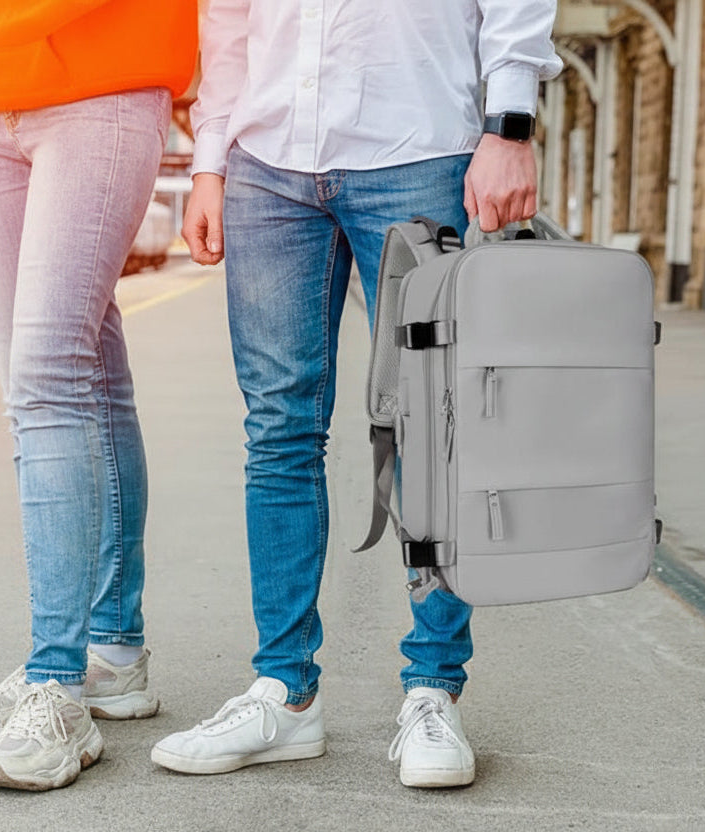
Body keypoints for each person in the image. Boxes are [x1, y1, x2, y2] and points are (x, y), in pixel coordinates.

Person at [152, 0, 561, 787]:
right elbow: (228, 24)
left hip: (418, 146)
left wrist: (509, 125)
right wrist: (209, 160)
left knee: (429, 426)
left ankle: (434, 689)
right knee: (277, 428)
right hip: (266, 162)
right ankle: (285, 692)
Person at [0, 0, 197, 791]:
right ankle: (110, 652)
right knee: (73, 368)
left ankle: (56, 680)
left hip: (105, 76)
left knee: (46, 380)